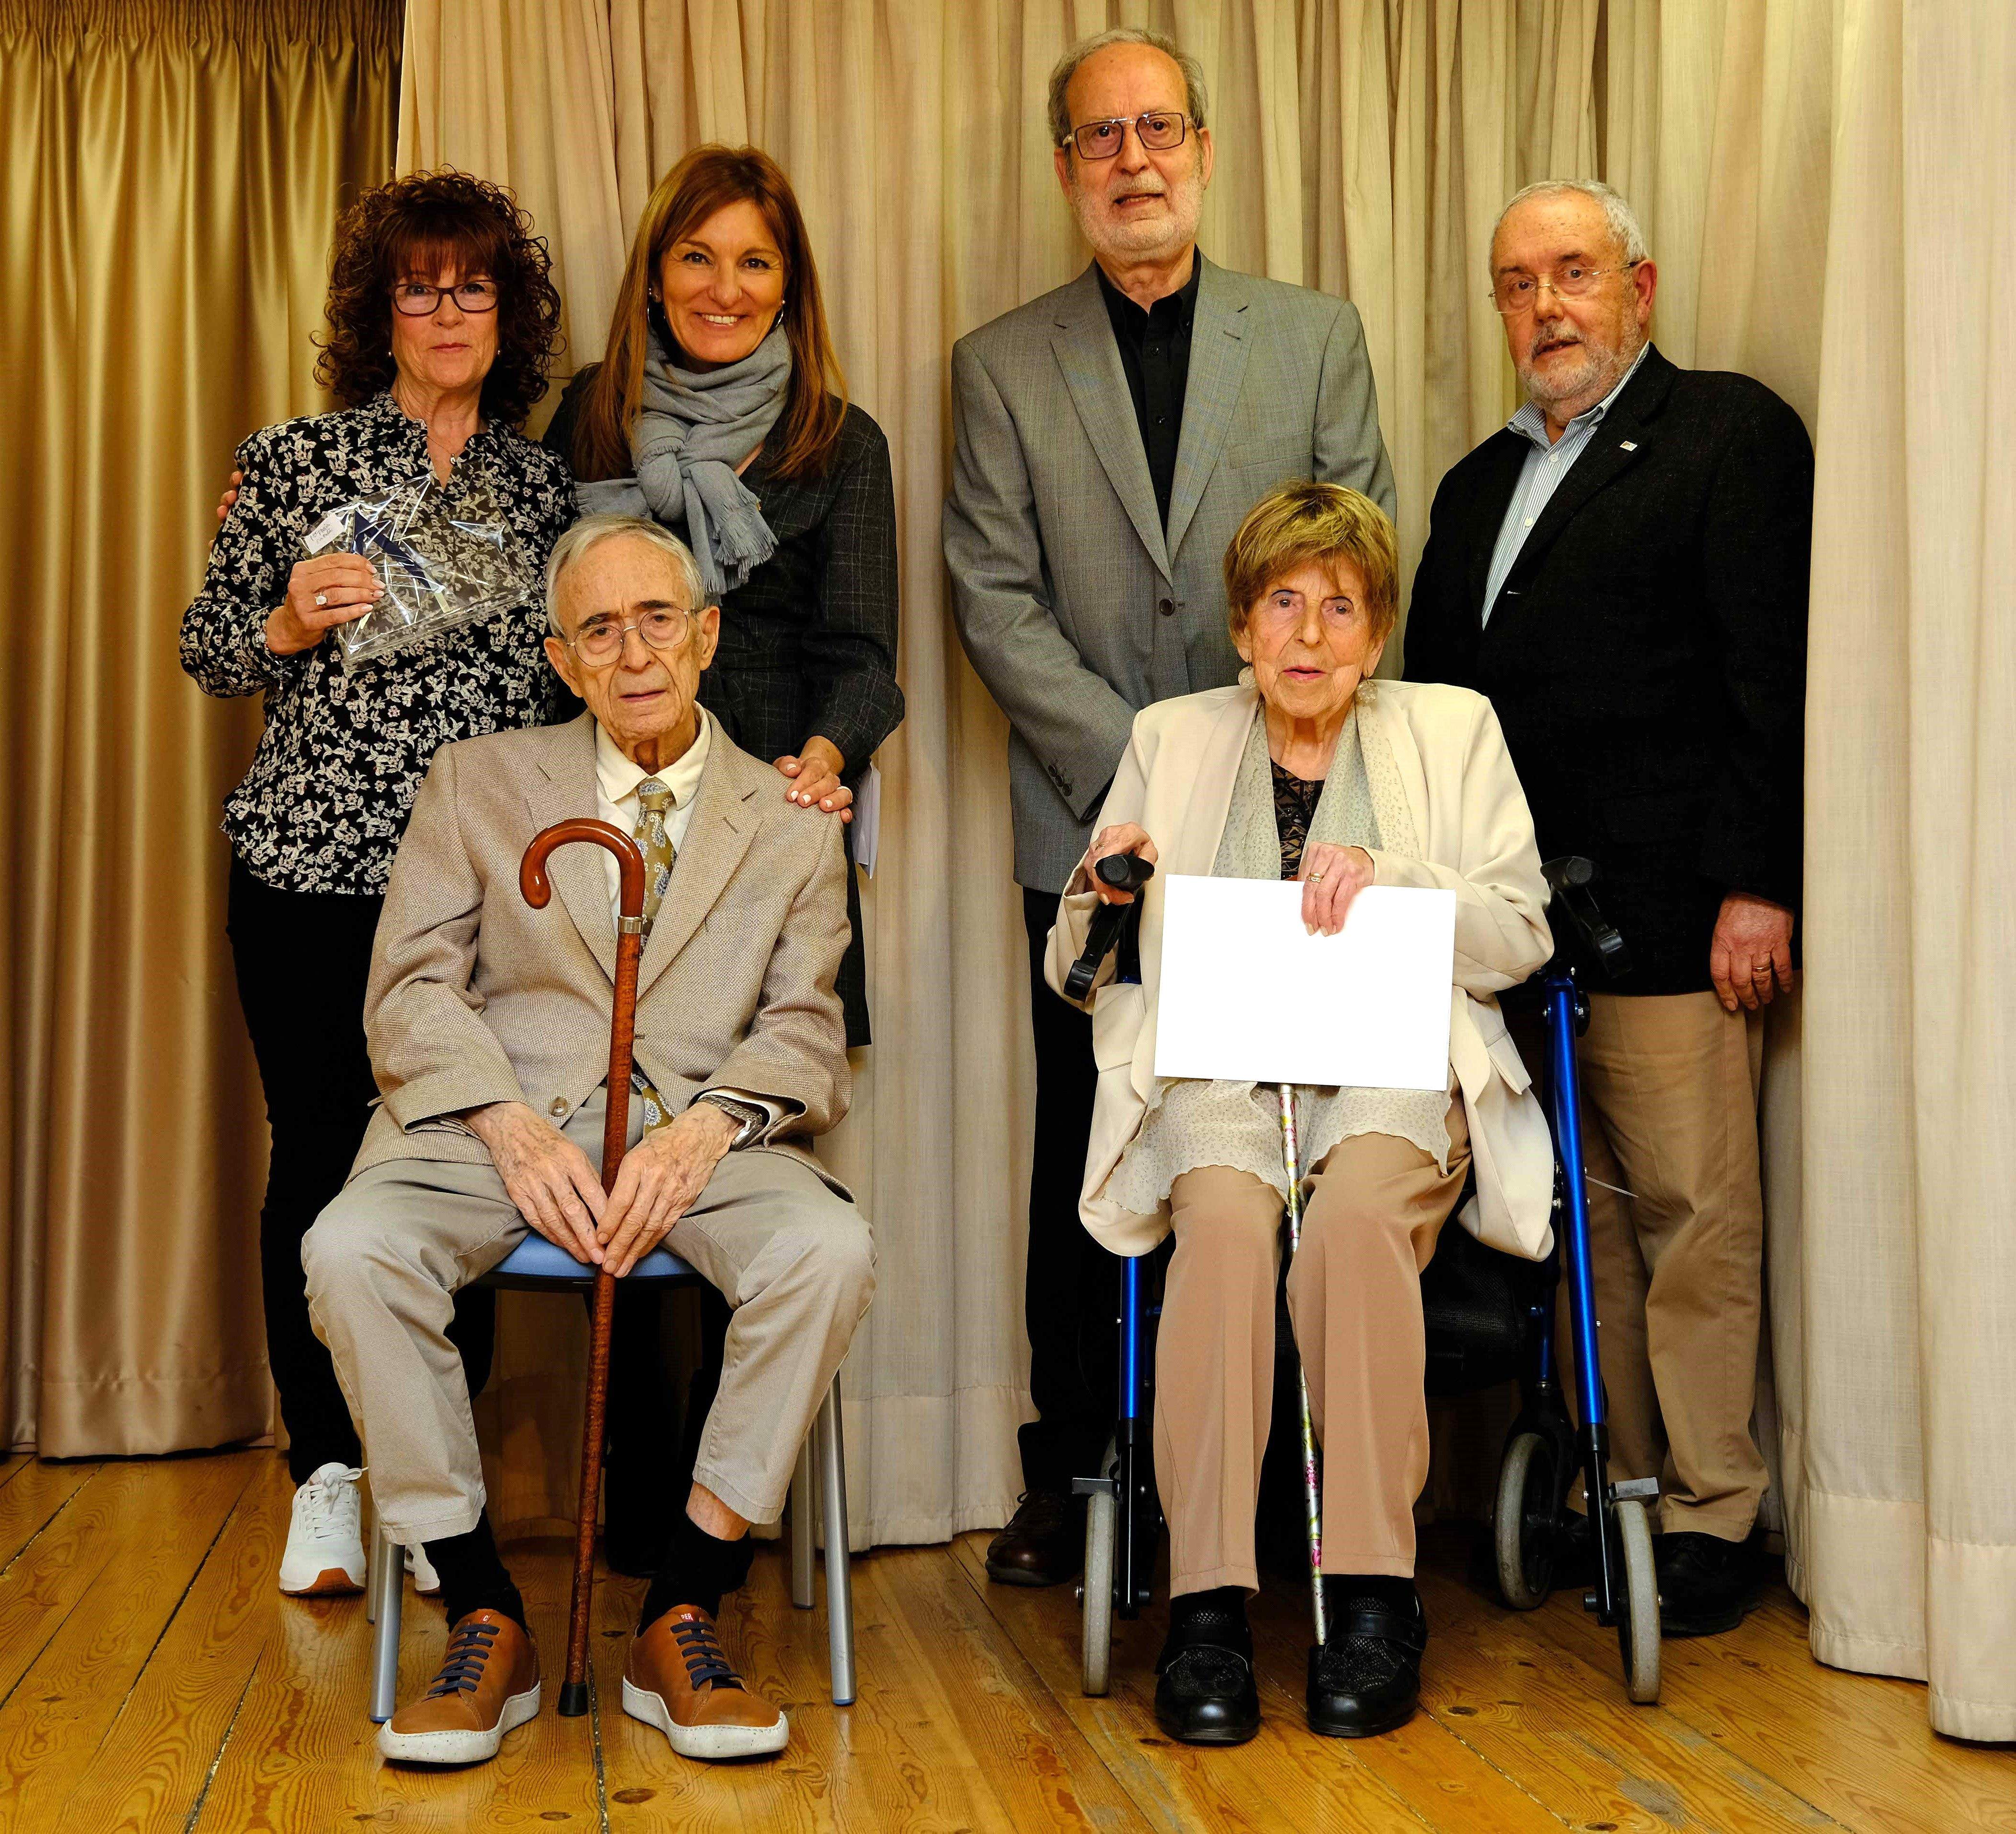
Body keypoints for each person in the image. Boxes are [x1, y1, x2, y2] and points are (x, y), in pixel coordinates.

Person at [303, 514, 874, 1768]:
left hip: (705, 1142)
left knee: (826, 1253)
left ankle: (685, 1602)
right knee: (351, 1249)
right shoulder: (477, 780)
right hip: (491, 1125)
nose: (632, 656)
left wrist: (711, 1129)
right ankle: (480, 1611)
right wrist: (503, 1120)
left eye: (657, 620)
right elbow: (406, 990)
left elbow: (802, 1029)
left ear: (707, 635)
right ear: (562, 661)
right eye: (599, 631)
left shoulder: (790, 816)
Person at [945, 24, 1397, 1589]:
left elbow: (1363, 554)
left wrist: (1255, 751)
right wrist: (1152, 767)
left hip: (1297, 833)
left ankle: (1266, 1498)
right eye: (1097, 137)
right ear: (1064, 168)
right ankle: (1073, 1468)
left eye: (1156, 130)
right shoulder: (998, 361)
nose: (1131, 160)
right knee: (1093, 1136)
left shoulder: (1316, 335)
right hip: (1097, 839)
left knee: (1286, 1139)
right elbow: (991, 596)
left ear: (1202, 149)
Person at [1047, 482, 1553, 1742]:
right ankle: (1208, 1604)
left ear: (1375, 635)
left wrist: (1397, 878)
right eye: (1284, 603)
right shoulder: (1171, 736)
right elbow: (1076, 963)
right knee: (1221, 1227)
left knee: (1351, 1226)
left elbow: (1520, 934)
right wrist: (1108, 889)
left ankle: (1374, 1592)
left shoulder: (1451, 730)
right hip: (1219, 1074)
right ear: (1240, 625)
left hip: (1389, 1066)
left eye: (1340, 607)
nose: (1311, 635)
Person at [1403, 179, 1811, 1638]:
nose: (1544, 308)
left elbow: (1770, 678)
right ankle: (1612, 1490)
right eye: (1517, 284)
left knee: (1694, 1214)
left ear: (1637, 286)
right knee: (1578, 1224)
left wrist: (1759, 883)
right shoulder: (1468, 488)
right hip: (1513, 930)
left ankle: (1710, 1513)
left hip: (1675, 909)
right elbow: (1430, 721)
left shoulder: (1728, 434)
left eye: (1571, 273)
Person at [180, 170, 576, 1600]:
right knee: (316, 1160)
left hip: (479, 898)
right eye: (420, 285)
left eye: (472, 285)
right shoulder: (290, 461)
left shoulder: (544, 489)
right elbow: (211, 648)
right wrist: (285, 615)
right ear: (380, 310)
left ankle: (436, 1489)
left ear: (506, 311)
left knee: (450, 1171)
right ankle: (330, 1478)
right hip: (307, 872)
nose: (447, 309)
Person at [541, 141, 902, 1574]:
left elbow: (864, 655)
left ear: (789, 287)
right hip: (613, 835)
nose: (724, 286)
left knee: (736, 1156)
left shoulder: (837, 439)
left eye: (755, 261)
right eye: (698, 256)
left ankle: (720, 1512)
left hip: (765, 843)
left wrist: (827, 755)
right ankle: (630, 1497)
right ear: (655, 271)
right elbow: (553, 623)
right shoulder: (590, 416)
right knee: (609, 1140)